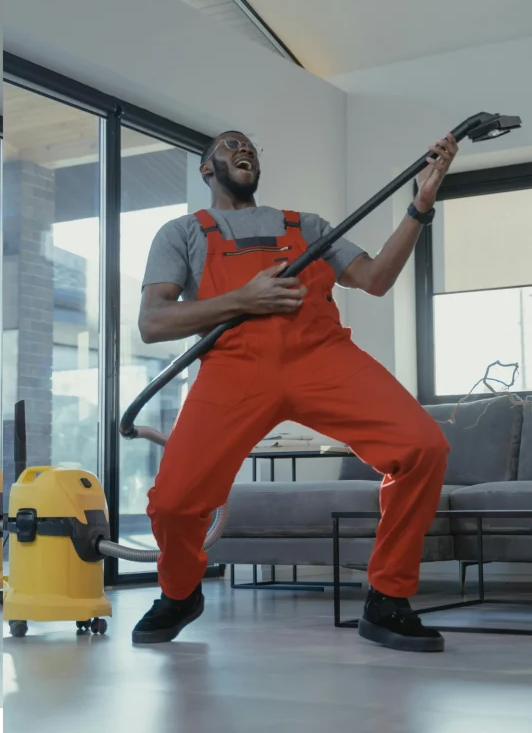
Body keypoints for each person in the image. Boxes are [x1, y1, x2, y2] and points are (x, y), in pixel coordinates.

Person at [132, 129, 458, 652]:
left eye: (252, 148)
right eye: (232, 144)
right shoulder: (182, 233)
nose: (245, 150)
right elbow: (153, 322)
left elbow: (374, 279)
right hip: (233, 370)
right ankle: (179, 591)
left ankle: (386, 597)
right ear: (206, 169)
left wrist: (419, 206)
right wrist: (244, 299)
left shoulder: (306, 226)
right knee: (172, 502)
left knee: (424, 447)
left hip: (322, 357)